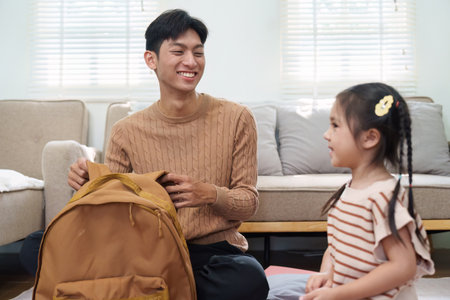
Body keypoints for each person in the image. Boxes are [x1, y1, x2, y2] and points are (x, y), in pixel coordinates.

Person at [67, 9, 269, 300]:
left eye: (198, 53)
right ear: (151, 59)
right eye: (179, 51)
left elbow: (248, 203)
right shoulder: (126, 130)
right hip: (149, 251)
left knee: (250, 280)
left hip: (213, 253)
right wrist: (88, 183)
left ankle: (151, 291)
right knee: (37, 247)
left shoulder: (237, 118)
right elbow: (113, 211)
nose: (191, 61)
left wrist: (210, 194)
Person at [300, 82, 434, 300]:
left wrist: (339, 294)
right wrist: (327, 274)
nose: (326, 134)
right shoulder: (349, 190)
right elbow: (338, 249)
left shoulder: (383, 195)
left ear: (370, 138)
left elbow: (402, 267)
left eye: (335, 125)